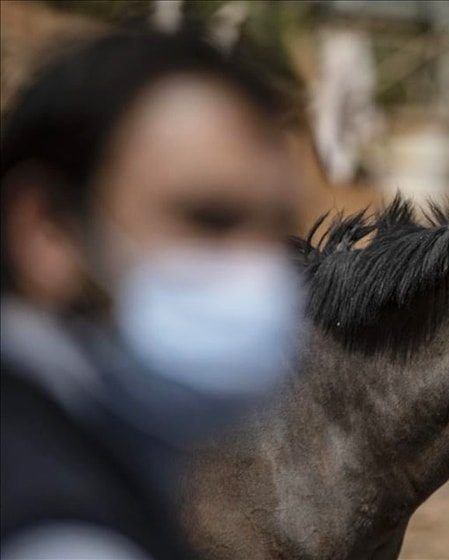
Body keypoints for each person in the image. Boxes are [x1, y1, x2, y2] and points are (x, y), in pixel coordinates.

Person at [0, 29, 302, 559]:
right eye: (208, 220)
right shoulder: (64, 536)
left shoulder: (95, 456)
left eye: (276, 233)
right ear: (47, 229)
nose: (254, 273)